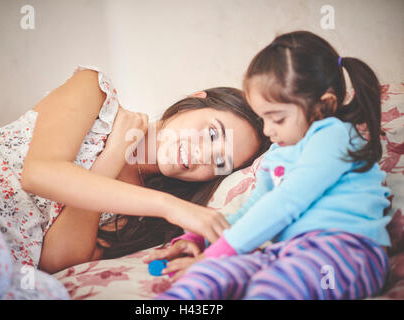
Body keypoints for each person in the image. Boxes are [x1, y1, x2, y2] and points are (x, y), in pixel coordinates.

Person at [0, 65, 268, 299]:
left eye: (220, 162)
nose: (203, 154)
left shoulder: (140, 215)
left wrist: (113, 156)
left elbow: (55, 261)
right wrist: (170, 206)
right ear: (194, 101)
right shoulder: (96, 95)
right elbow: (39, 174)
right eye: (213, 133)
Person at [153, 31, 392, 300]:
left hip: (346, 252)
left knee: (272, 288)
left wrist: (214, 254)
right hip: (288, 252)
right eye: (262, 118)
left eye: (276, 119)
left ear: (324, 106)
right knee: (211, 275)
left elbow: (286, 203)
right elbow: (254, 207)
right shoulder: (279, 153)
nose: (267, 130)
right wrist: (201, 240)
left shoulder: (335, 135)